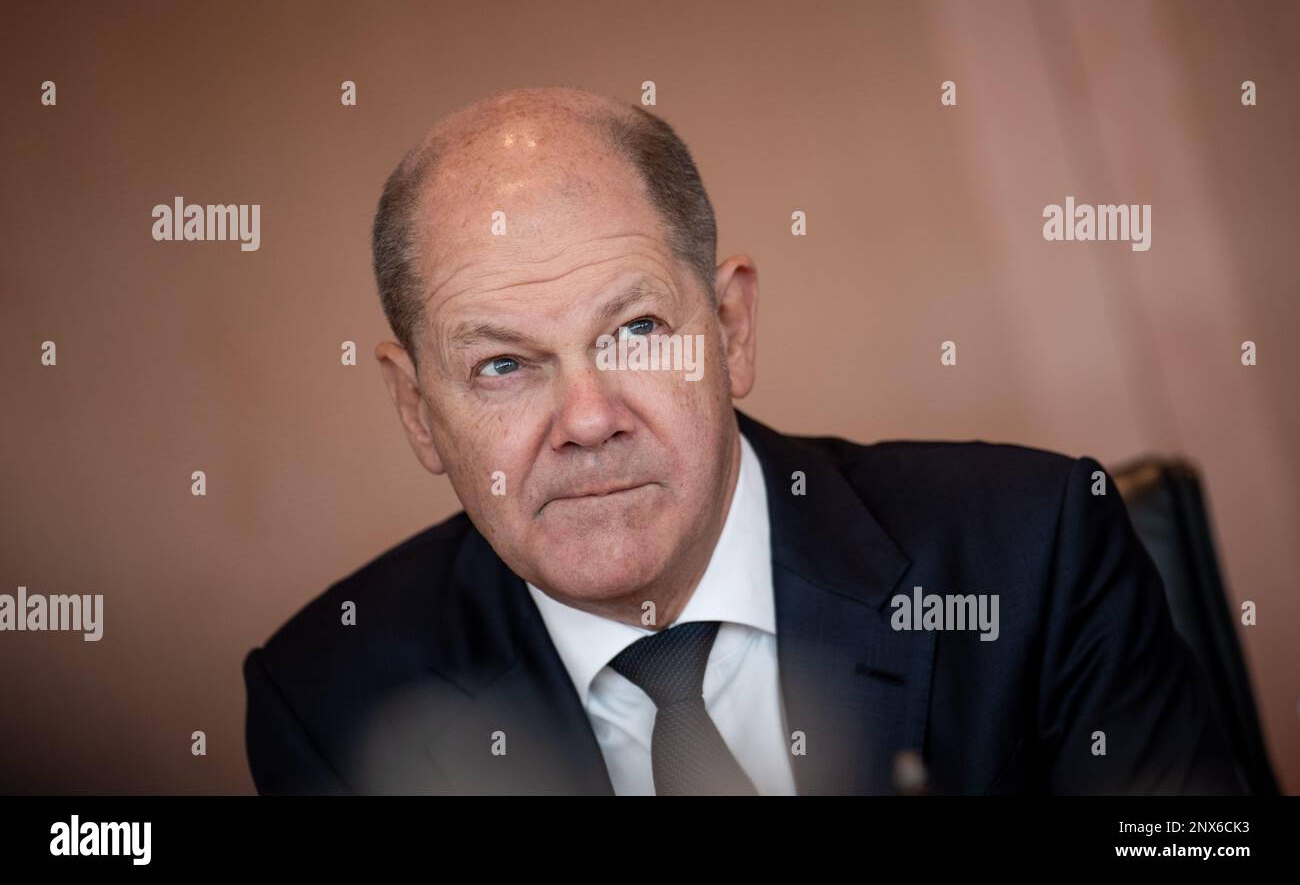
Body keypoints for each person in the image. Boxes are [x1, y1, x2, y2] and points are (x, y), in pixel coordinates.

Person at [242, 86, 1241, 794]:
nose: (589, 420)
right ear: (418, 410)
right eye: (503, 365)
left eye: (636, 332)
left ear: (731, 330)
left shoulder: (1036, 550)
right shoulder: (333, 695)